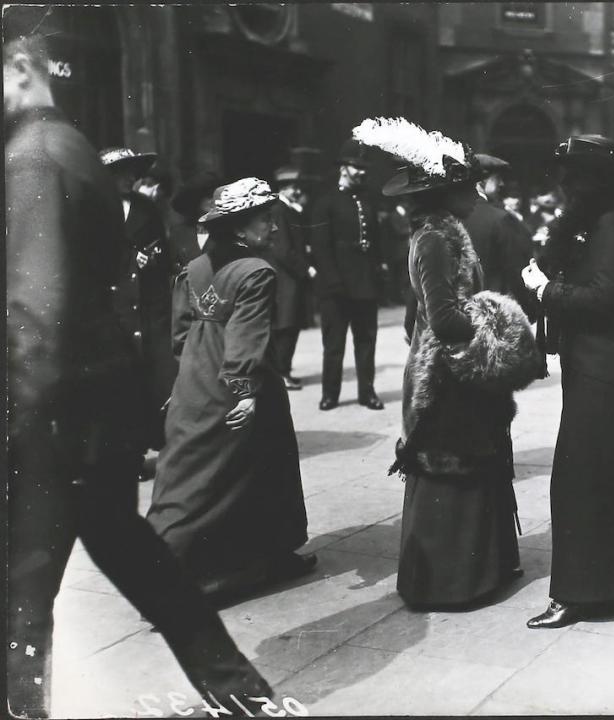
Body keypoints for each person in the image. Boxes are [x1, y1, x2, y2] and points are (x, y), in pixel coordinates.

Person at [4, 20, 271, 716]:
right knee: (137, 561)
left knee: (19, 599)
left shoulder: (34, 157)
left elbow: (38, 318)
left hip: (53, 427)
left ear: (21, 67)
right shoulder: (63, 148)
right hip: (90, 420)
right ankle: (243, 693)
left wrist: (16, 425)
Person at [352, 116, 541, 609]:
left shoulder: (444, 230)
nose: (472, 193)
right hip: (446, 373)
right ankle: (449, 581)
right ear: (442, 195)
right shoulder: (434, 238)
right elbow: (443, 319)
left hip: (455, 368)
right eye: (463, 186)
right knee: (453, 464)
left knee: (472, 460)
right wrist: (495, 319)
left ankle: (480, 570)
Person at [521, 134, 614, 629]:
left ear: (597, 182)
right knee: (603, 478)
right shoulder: (594, 223)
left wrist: (547, 289)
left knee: (582, 482)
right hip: (598, 367)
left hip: (611, 371)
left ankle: (578, 593)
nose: (566, 186)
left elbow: (605, 297)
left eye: (576, 176)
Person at [147, 177, 314, 602]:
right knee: (263, 466)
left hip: (197, 380)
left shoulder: (196, 266)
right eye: (265, 220)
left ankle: (233, 562)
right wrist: (244, 390)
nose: (274, 229)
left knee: (196, 473)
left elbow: (181, 333)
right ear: (240, 227)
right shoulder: (257, 271)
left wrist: (185, 378)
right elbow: (246, 333)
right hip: (242, 383)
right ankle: (262, 556)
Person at [100, 146, 178, 460]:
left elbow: (163, 249)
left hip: (149, 306)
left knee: (157, 378)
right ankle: (127, 453)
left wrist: (154, 259)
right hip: (113, 308)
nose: (131, 178)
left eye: (134, 171)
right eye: (123, 172)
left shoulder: (146, 207)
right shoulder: (92, 207)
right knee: (120, 383)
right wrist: (130, 259)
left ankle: (159, 444)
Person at [312, 138, 389, 410]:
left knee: (366, 342)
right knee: (334, 345)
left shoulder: (367, 200)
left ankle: (367, 393)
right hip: (336, 286)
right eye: (356, 167)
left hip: (365, 284)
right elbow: (320, 248)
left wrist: (378, 272)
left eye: (364, 167)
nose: (362, 172)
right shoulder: (326, 202)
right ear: (343, 168)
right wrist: (334, 282)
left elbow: (377, 242)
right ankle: (330, 393)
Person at [263, 165, 316, 391]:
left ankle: (284, 371)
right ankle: (281, 373)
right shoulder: (279, 210)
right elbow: (283, 249)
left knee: (290, 325)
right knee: (285, 326)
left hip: (289, 278)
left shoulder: (286, 210)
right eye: (293, 187)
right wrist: (305, 269)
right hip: (286, 278)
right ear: (283, 188)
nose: (296, 191)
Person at [464, 153, 536, 311]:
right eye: (497, 179)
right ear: (481, 181)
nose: (502, 184)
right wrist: (530, 309)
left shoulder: (451, 215)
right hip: (489, 311)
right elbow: (515, 272)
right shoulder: (499, 219)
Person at [169, 169, 222, 274]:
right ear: (196, 199)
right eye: (208, 195)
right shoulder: (178, 233)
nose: (212, 200)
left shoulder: (226, 232)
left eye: (216, 196)